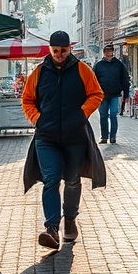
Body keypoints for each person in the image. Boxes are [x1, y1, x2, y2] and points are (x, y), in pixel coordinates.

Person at [21, 30, 104, 250]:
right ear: (50, 49)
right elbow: (27, 99)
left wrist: (82, 113)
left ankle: (70, 219)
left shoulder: (82, 70)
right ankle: (51, 228)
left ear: (70, 49)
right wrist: (37, 119)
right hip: (46, 137)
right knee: (51, 180)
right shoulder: (38, 73)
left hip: (75, 136)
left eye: (63, 51)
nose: (59, 55)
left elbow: (96, 94)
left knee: (72, 179)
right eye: (55, 51)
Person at [92, 43, 130, 144]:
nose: (109, 53)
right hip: (102, 95)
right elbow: (92, 80)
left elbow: (125, 79)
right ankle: (104, 136)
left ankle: (113, 136)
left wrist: (126, 94)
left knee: (113, 114)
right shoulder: (99, 65)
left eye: (111, 51)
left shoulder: (118, 64)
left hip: (115, 94)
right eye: (107, 51)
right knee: (103, 115)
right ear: (104, 53)